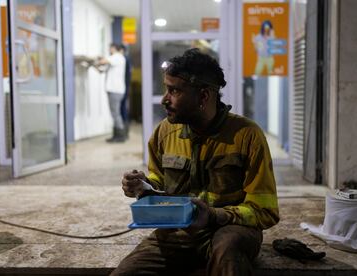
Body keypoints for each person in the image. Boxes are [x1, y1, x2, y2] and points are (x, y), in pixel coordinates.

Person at [111, 48, 279, 276]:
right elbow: (158, 180)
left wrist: (213, 215)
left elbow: (265, 211)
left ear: (203, 96)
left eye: (174, 91)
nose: (164, 99)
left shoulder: (247, 136)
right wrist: (143, 186)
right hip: (178, 232)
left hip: (230, 230)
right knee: (126, 273)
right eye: (165, 89)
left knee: (228, 250)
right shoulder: (164, 132)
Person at [95, 43, 126, 143]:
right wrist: (95, 65)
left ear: (113, 48)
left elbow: (103, 61)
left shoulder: (117, 57)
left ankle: (120, 136)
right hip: (115, 90)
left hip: (115, 90)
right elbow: (102, 69)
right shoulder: (115, 59)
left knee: (115, 113)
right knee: (115, 113)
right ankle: (116, 135)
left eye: (110, 48)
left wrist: (96, 60)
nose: (109, 49)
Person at [119, 44, 132, 139]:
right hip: (125, 87)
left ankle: (124, 133)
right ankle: (125, 132)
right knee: (122, 109)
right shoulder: (125, 59)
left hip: (124, 88)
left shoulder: (124, 60)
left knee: (122, 109)